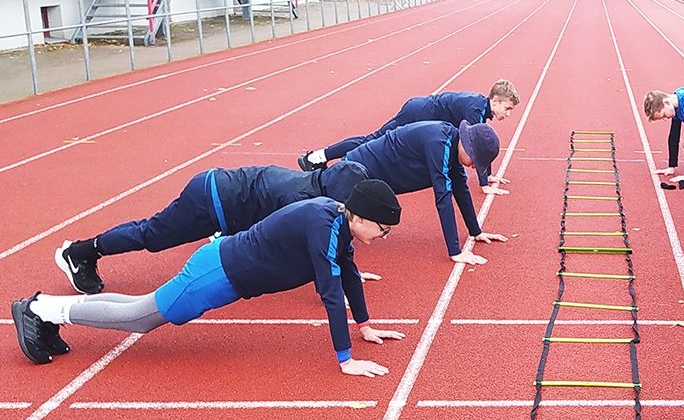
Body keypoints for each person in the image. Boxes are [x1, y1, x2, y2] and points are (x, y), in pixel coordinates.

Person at [13, 180, 406, 378]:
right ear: (361, 216)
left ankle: (45, 310)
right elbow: (331, 293)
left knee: (143, 308)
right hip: (217, 272)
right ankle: (39, 309)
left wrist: (366, 325)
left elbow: (349, 274)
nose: (383, 237)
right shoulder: (325, 226)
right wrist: (345, 359)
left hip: (223, 268)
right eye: (384, 230)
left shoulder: (336, 222)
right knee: (141, 317)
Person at [53, 161, 369, 295]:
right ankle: (79, 252)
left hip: (225, 193)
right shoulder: (301, 199)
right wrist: (333, 275)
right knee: (151, 235)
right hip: (211, 200)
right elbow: (310, 247)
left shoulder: (316, 186)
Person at [298, 80, 520, 194]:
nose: (507, 114)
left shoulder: (480, 108)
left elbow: (477, 146)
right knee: (370, 141)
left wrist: (486, 175)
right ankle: (317, 157)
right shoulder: (475, 109)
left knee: (371, 140)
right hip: (417, 113)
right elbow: (473, 147)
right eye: (507, 108)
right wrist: (483, 183)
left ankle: (319, 158)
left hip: (420, 111)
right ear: (495, 100)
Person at [342, 120, 507, 265]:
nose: (473, 167)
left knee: (344, 222)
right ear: (467, 147)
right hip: (357, 169)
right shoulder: (439, 143)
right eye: (475, 161)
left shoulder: (452, 146)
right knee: (337, 220)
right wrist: (455, 251)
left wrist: (475, 231)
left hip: (376, 173)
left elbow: (461, 189)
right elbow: (443, 197)